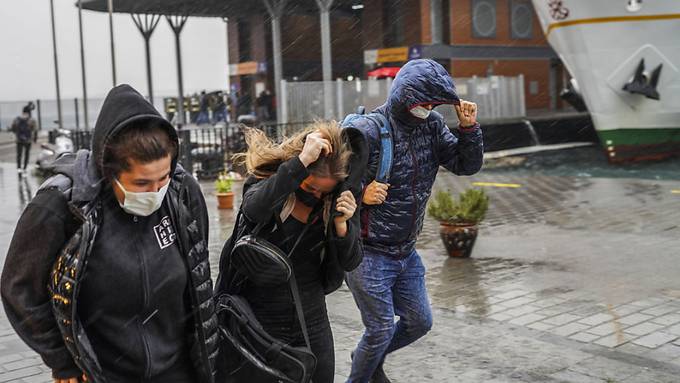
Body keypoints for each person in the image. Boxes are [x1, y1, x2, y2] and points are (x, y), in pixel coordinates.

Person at [1, 85, 219, 383]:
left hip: (179, 370)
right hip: (105, 373)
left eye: (163, 178)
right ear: (109, 170)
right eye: (141, 183)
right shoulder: (63, 204)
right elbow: (19, 289)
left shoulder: (182, 193)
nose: (156, 192)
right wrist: (61, 360)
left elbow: (197, 267)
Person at [343, 59, 484, 383]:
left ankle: (366, 355)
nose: (429, 108)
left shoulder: (432, 126)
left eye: (434, 104)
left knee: (420, 322)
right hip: (368, 253)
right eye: (425, 103)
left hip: (406, 252)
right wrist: (362, 193)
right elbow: (330, 182)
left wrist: (469, 129)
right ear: (405, 97)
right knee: (378, 329)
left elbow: (465, 164)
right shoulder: (368, 131)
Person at [216, 121, 367, 383]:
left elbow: (351, 260)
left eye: (324, 191)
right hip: (258, 317)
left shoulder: (337, 200)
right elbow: (254, 209)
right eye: (310, 188)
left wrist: (342, 225)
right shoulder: (270, 184)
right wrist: (300, 162)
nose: (317, 195)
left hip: (310, 317)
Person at [10, 104, 37, 174]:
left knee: (19, 154)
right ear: (29, 112)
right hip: (28, 140)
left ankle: (19, 168)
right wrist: (34, 139)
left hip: (19, 139)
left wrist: (17, 133)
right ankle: (25, 168)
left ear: (22, 111)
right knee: (27, 154)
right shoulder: (31, 120)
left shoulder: (17, 119)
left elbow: (13, 128)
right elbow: (34, 129)